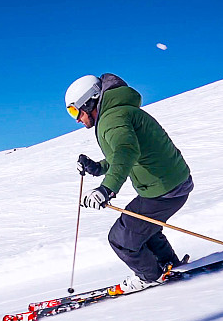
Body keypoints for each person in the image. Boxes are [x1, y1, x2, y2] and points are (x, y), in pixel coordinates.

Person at [64, 73, 194, 293]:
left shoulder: (112, 119)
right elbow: (126, 152)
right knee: (142, 228)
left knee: (121, 239)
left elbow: (126, 151)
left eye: (75, 111)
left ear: (90, 101)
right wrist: (97, 167)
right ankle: (168, 264)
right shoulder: (118, 113)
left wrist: (107, 189)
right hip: (170, 184)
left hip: (164, 190)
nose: (77, 119)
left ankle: (150, 276)